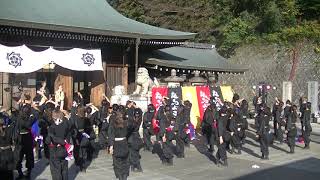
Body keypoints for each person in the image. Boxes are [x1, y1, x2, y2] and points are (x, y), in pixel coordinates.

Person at [46, 110, 71, 180]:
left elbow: (48, 140)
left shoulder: (52, 127)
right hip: (65, 149)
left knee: (56, 170)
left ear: (53, 117)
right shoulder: (66, 125)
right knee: (64, 168)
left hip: (55, 150)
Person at [109, 111, 133, 180]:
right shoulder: (126, 123)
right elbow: (132, 125)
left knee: (117, 162)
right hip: (124, 142)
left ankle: (120, 176)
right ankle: (124, 176)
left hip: (116, 144)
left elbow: (111, 135)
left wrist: (111, 146)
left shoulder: (113, 124)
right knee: (125, 161)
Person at [16, 104, 36, 179]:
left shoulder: (27, 117)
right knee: (19, 157)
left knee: (29, 156)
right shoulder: (21, 118)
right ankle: (20, 173)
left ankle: (28, 173)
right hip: (21, 138)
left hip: (27, 137)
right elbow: (27, 125)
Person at [128, 107, 144, 172]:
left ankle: (137, 166)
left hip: (133, 137)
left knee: (133, 153)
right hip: (137, 137)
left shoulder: (133, 121)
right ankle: (133, 166)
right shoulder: (140, 120)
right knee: (134, 153)